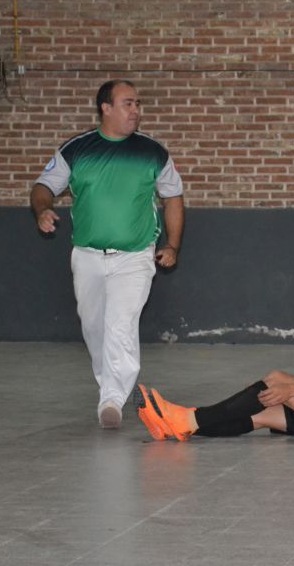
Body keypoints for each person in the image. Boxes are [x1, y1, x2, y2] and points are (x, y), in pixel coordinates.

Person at [30, 79, 185, 430]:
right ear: (106, 108)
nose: (136, 110)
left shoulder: (153, 152)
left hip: (135, 256)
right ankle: (111, 389)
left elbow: (173, 197)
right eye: (129, 103)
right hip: (86, 256)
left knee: (120, 324)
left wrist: (172, 245)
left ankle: (112, 399)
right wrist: (42, 209)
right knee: (94, 327)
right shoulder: (77, 150)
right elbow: (43, 187)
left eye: (138, 104)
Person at [132, 253, 294, 440]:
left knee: (275, 387)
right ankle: (176, 427)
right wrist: (279, 389)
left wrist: (288, 389)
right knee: (262, 411)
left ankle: (185, 417)